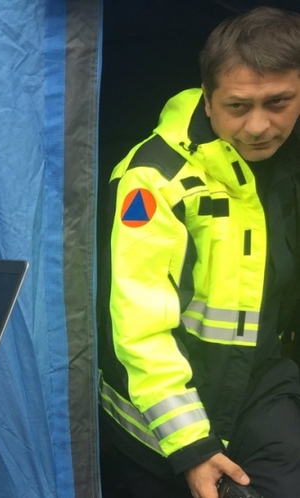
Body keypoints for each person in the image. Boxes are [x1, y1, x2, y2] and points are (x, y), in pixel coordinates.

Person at [98, 6, 300, 498]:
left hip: (261, 383)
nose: (258, 126)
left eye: (279, 102)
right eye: (237, 106)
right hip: (158, 414)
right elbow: (139, 326)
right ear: (207, 101)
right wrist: (191, 446)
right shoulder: (152, 179)